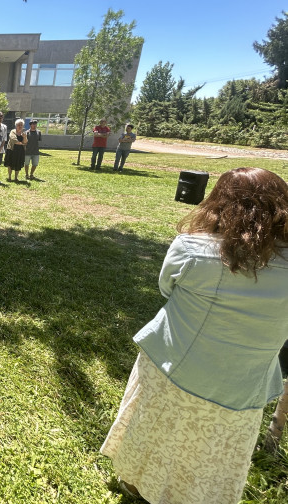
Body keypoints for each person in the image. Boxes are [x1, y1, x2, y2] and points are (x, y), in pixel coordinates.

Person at [101, 167, 288, 504]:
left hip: (175, 364)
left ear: (219, 203)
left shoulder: (192, 247)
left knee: (155, 431)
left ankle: (137, 483)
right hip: (246, 386)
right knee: (214, 457)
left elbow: (166, 287)